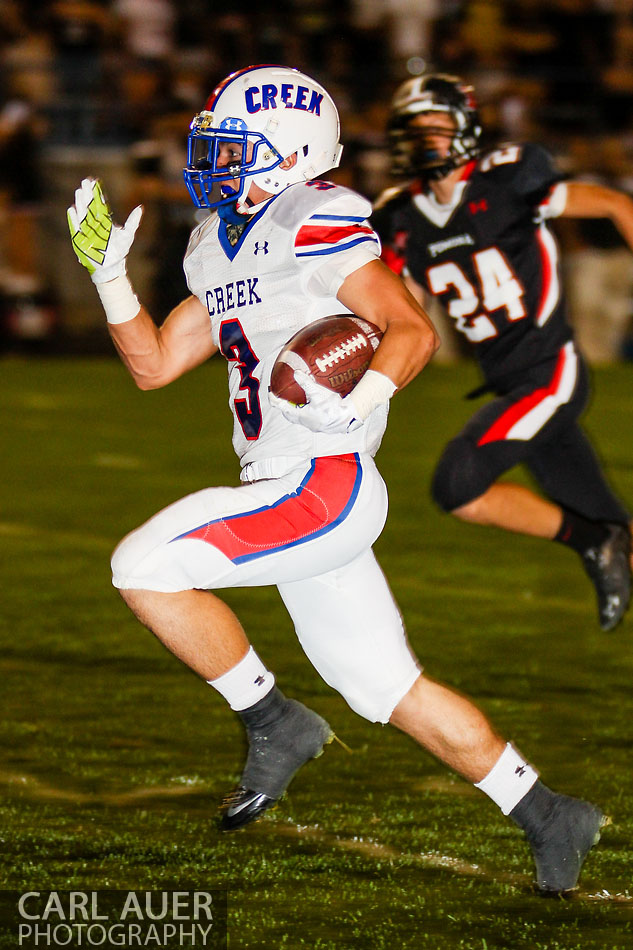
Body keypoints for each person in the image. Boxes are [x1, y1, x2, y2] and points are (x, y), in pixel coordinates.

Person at [68, 64, 606, 894]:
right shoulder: (215, 240)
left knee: (143, 565)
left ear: (288, 154)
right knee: (382, 686)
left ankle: (272, 719)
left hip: (322, 479)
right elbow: (154, 365)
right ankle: (548, 814)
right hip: (283, 484)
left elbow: (408, 329)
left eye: (231, 145)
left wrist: (361, 402)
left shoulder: (315, 217)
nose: (210, 158)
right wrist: (109, 281)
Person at [372, 72, 633, 632]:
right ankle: (604, 538)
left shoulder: (507, 179)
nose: (423, 138)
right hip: (508, 382)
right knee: (613, 526)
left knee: (458, 481)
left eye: (435, 125)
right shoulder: (399, 216)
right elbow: (405, 313)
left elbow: (613, 205)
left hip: (549, 371)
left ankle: (593, 543)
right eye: (412, 127)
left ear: (465, 127)